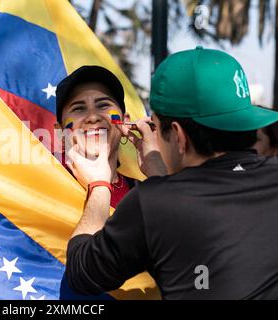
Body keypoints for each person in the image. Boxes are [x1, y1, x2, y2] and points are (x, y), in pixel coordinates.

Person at [65, 47, 278, 299]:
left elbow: (83, 272)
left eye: (154, 126)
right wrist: (159, 177)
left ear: (177, 135)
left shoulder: (154, 202)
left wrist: (100, 184)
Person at [54, 66, 164, 299]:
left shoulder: (147, 194)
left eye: (103, 105)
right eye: (78, 108)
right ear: (59, 132)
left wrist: (161, 180)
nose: (93, 116)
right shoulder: (42, 187)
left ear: (124, 123)